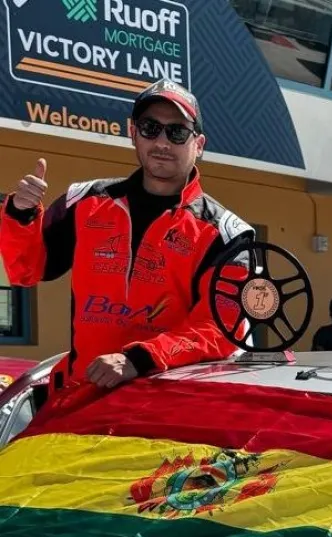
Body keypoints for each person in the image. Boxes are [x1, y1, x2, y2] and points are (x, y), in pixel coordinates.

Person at [0, 79, 252, 391]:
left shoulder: (226, 234)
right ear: (133, 133)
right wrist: (21, 214)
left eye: (176, 132)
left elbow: (222, 329)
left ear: (198, 144)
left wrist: (139, 359)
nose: (162, 142)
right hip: (81, 395)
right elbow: (26, 271)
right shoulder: (83, 201)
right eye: (150, 128)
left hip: (170, 403)